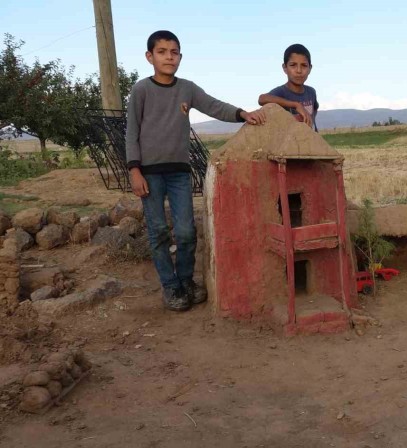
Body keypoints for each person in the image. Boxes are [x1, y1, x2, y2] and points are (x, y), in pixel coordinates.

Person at [126, 30, 266, 312]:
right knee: (157, 232)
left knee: (187, 231)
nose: (169, 57)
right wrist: (134, 170)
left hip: (179, 172)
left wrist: (242, 114)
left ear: (180, 57)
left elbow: (213, 105)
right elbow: (131, 132)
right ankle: (170, 286)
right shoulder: (141, 90)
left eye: (174, 52)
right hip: (149, 172)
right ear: (149, 56)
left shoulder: (187, 88)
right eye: (162, 51)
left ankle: (186, 280)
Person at [258, 44, 319, 130]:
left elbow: (315, 108)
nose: (299, 70)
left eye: (304, 65)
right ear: (285, 68)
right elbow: (262, 99)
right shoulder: (281, 92)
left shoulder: (311, 92)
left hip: (309, 140)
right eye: (293, 65)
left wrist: (311, 120)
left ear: (310, 68)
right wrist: (296, 105)